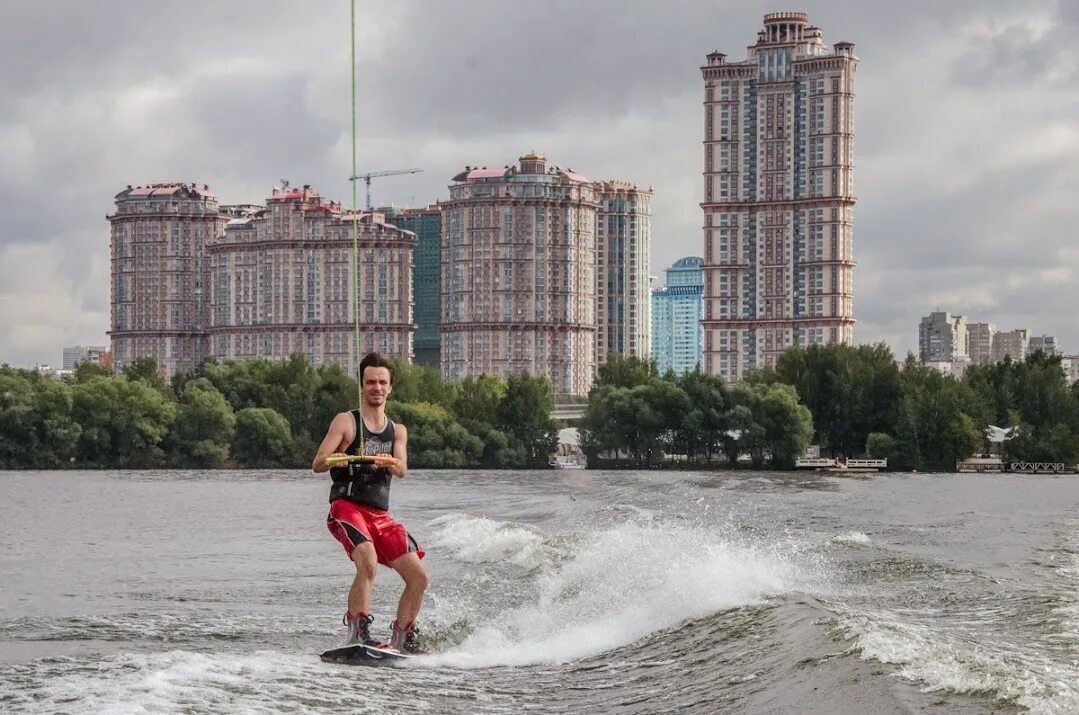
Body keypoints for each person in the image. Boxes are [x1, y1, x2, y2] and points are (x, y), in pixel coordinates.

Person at [312, 352, 429, 653]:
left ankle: (403, 638)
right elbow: (318, 463)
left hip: (380, 516)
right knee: (368, 561)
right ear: (362, 386)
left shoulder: (397, 430)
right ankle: (357, 631)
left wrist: (383, 461)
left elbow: (401, 469)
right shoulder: (346, 422)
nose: (376, 387)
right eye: (370, 382)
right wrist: (349, 457)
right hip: (347, 509)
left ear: (390, 388)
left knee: (418, 576)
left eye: (382, 382)